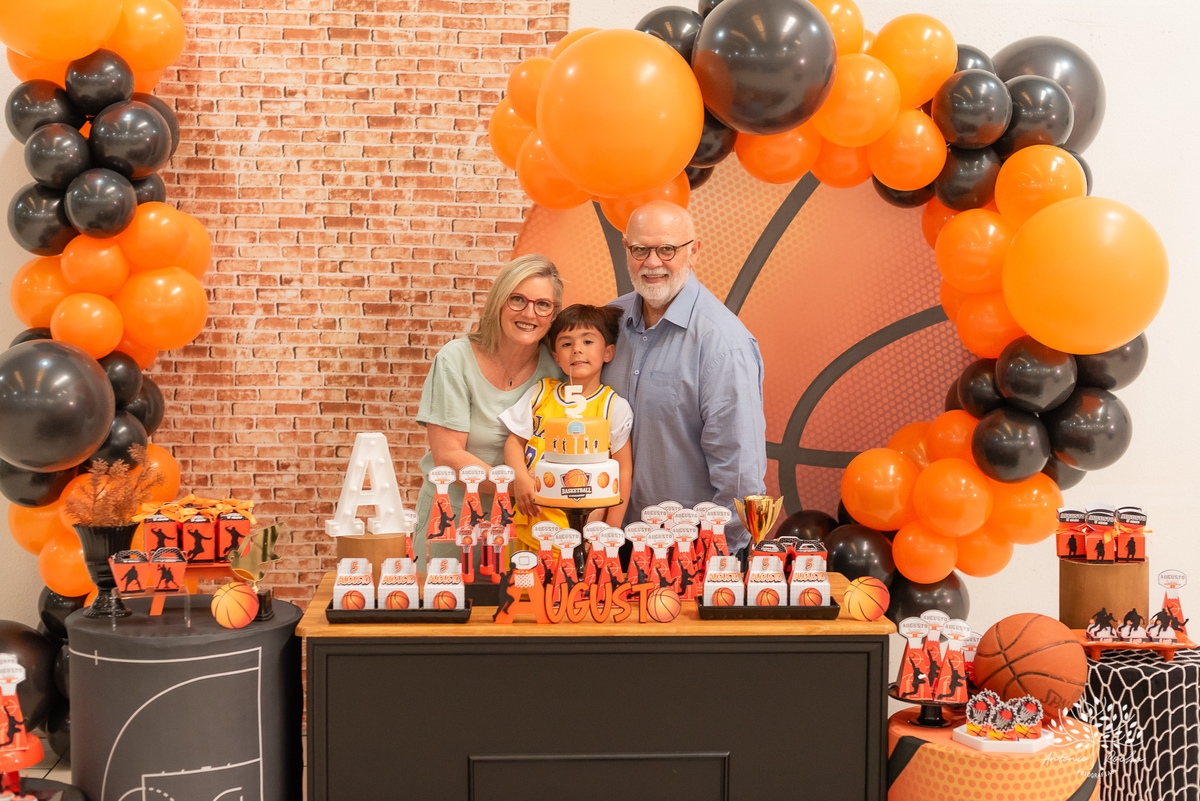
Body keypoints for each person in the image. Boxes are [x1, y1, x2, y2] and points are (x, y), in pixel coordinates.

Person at [603, 200, 767, 557]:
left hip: (689, 556)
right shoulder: (607, 324)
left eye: (667, 249)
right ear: (626, 249)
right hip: (611, 547)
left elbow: (740, 477)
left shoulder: (723, 344)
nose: (652, 262)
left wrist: (715, 556)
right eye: (640, 249)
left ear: (693, 251)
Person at [413, 254, 564, 567]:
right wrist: (520, 482)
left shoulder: (558, 370)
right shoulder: (455, 360)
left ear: (553, 314)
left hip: (524, 525)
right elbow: (448, 457)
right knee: (445, 610)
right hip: (450, 521)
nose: (529, 313)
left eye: (543, 304)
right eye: (517, 300)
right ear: (498, 302)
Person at [499, 304, 634, 548]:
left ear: (608, 352)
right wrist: (519, 477)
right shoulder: (540, 394)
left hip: (584, 537)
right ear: (556, 357)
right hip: (532, 527)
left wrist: (610, 533)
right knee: (526, 586)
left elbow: (623, 469)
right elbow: (514, 441)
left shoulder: (613, 406)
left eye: (588, 342)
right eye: (566, 343)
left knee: (577, 587)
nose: (577, 350)